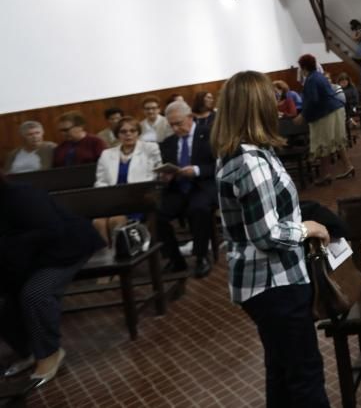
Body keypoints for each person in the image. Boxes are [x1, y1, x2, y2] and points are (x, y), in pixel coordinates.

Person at [211, 70, 331, 407]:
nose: (278, 104)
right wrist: (309, 228)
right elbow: (266, 234)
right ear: (258, 106)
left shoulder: (241, 153)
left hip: (265, 284)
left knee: (282, 372)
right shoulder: (250, 162)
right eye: (271, 99)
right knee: (305, 376)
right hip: (275, 283)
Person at [0, 174, 105, 387]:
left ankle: (49, 353)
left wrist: (6, 245)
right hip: (20, 259)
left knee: (35, 293)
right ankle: (29, 351)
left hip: (63, 250)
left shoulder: (20, 194)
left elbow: (51, 230)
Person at [157, 100, 217, 278]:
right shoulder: (168, 142)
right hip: (178, 188)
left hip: (203, 185)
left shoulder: (209, 134)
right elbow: (167, 166)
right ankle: (175, 259)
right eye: (171, 125)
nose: (175, 128)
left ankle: (201, 257)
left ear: (190, 117)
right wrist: (166, 176)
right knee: (157, 215)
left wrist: (197, 170)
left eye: (179, 123)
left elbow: (220, 165)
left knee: (198, 209)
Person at [93, 116, 163, 246]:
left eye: (132, 130)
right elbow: (100, 181)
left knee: (116, 219)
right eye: (123, 132)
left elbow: (155, 175)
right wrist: (108, 195)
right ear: (117, 134)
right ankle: (107, 255)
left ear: (138, 132)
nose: (128, 134)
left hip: (138, 198)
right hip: (112, 199)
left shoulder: (150, 148)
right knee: (98, 222)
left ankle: (121, 254)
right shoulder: (107, 154)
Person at [296, 55, 355, 182]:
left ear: (304, 67)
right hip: (335, 109)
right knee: (336, 141)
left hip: (325, 113)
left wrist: (303, 115)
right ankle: (348, 166)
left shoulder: (311, 79)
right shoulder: (319, 76)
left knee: (322, 143)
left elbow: (313, 100)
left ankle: (325, 175)